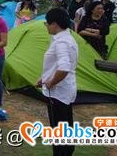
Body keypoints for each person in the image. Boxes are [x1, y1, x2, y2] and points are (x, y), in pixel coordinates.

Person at [38, 8, 78, 156]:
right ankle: (67, 151)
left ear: (54, 24)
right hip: (66, 90)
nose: (46, 26)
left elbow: (64, 68)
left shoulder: (61, 42)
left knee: (58, 131)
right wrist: (44, 79)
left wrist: (51, 82)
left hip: (58, 93)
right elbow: (58, 66)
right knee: (66, 126)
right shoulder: (69, 38)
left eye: (46, 24)